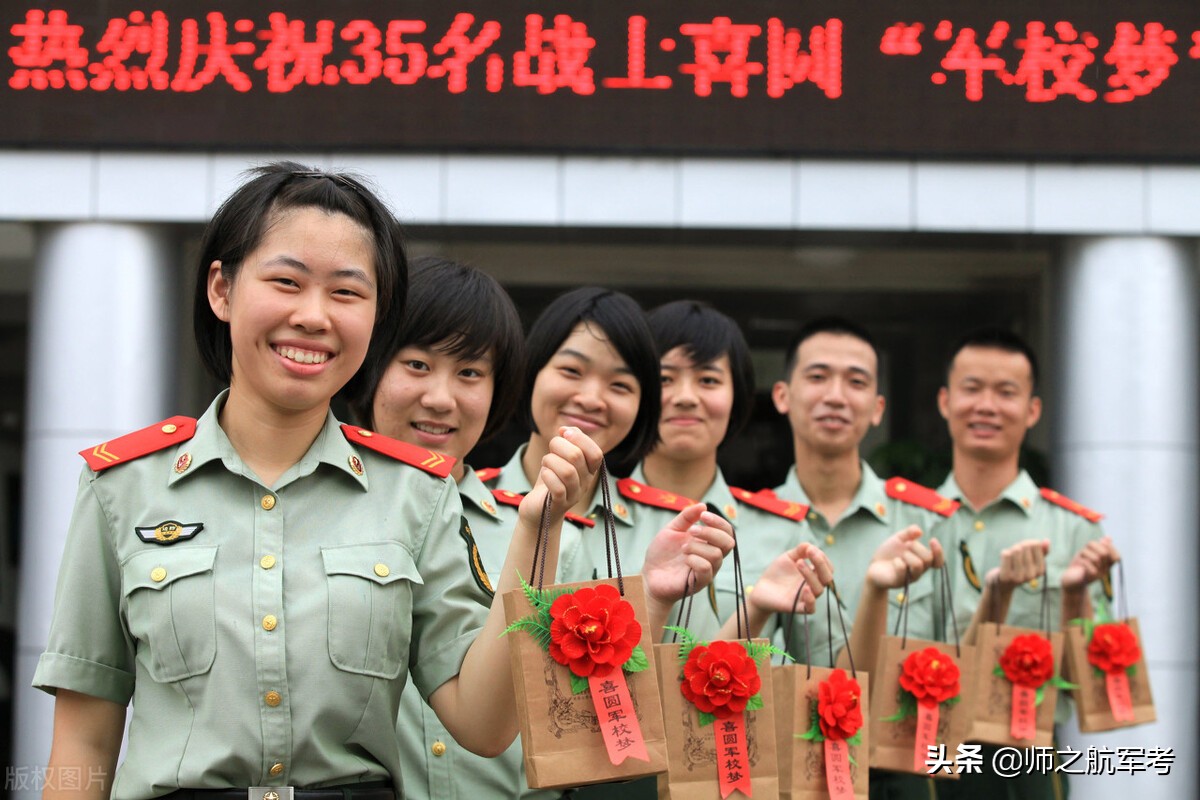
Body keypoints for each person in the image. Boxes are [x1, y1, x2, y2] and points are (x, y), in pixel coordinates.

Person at [33, 164, 603, 800]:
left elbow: (486, 723)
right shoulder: (121, 486)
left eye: (346, 293)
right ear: (221, 289)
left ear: (376, 316)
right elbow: (83, 739)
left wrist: (536, 535)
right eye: (286, 282)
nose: (312, 316)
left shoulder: (417, 493)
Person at [350, 256, 548, 800]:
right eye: (416, 364)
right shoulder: (307, 509)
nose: (441, 398)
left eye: (469, 373)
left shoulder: (545, 536)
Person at [477, 287, 736, 641]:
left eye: (619, 384)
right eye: (571, 370)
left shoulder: (672, 532)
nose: (591, 399)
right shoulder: (465, 504)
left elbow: (685, 677)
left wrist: (654, 602)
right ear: (531, 370)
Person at [766, 317, 954, 800]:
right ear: (783, 395)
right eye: (817, 376)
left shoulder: (928, 521)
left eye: (856, 381)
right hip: (789, 772)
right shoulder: (751, 526)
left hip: (904, 772)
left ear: (877, 408)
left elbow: (961, 653)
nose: (836, 395)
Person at [934, 328, 1118, 800]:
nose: (987, 406)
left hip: (1032, 758)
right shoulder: (912, 524)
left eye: (1006, 392)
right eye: (972, 389)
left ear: (1032, 410)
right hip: (928, 749)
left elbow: (1097, 689)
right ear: (945, 401)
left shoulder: (1074, 531)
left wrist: (1075, 593)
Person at [618, 300, 830, 640]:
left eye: (708, 380)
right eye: (665, 378)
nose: (686, 397)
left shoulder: (785, 531)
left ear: (737, 397)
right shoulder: (595, 520)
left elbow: (825, 669)